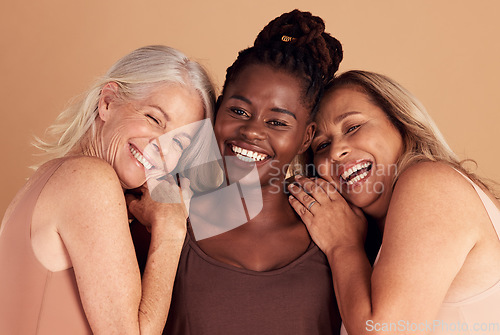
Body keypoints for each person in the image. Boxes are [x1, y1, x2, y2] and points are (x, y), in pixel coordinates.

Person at [131, 9, 344, 335]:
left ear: (306, 137)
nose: (252, 131)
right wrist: (166, 225)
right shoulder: (159, 212)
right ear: (217, 110)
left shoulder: (340, 231)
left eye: (277, 122)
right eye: (239, 110)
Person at [0, 45, 216, 334]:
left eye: (178, 142)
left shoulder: (52, 177)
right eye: (153, 119)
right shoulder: (89, 181)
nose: (162, 148)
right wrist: (171, 225)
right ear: (108, 101)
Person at [288, 70, 500, 334]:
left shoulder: (432, 182)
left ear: (400, 121)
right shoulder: (375, 244)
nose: (336, 151)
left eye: (353, 127)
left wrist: (343, 245)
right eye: (321, 145)